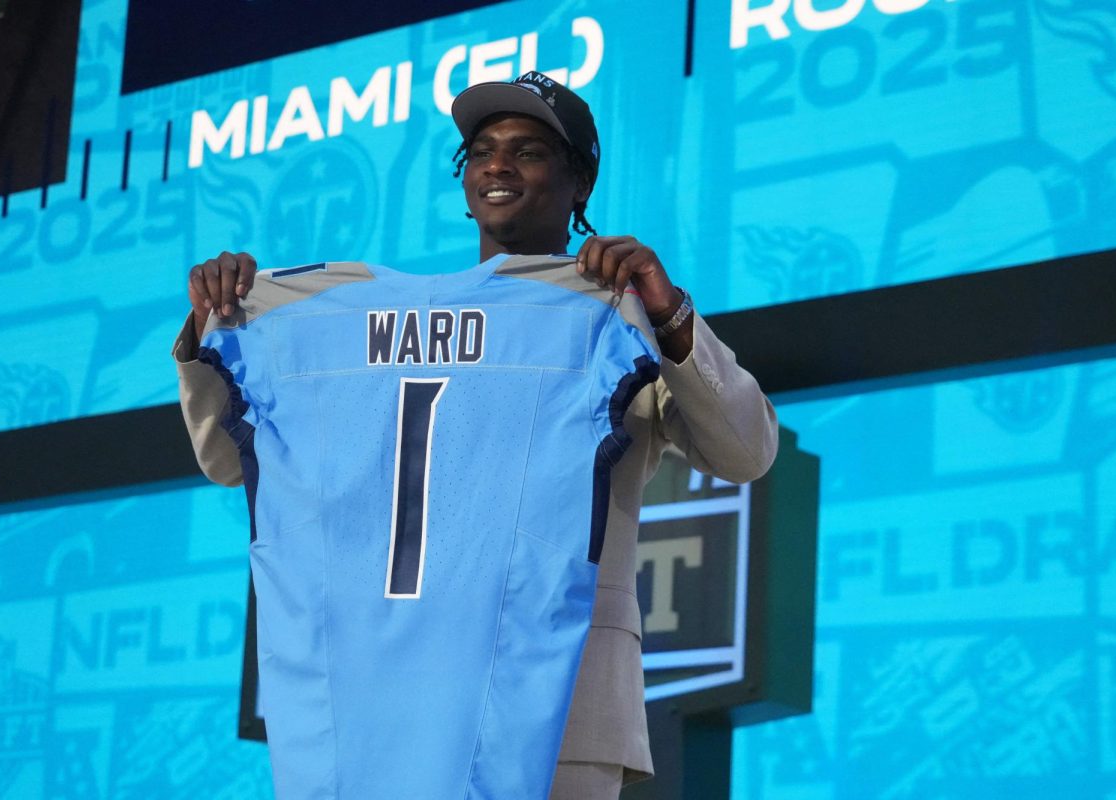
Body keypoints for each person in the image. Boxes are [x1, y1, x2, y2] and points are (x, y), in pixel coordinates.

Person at [174, 71, 778, 800]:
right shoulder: (335, 317)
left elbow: (746, 452)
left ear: (579, 182)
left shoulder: (613, 317)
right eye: (481, 150)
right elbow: (224, 459)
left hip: (561, 705)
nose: (497, 165)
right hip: (383, 692)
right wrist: (219, 324)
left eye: (528, 151)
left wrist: (671, 314)